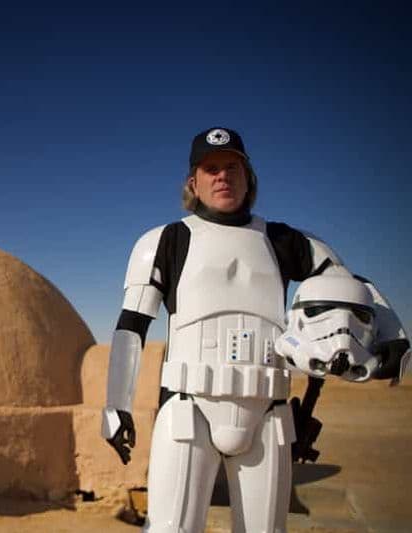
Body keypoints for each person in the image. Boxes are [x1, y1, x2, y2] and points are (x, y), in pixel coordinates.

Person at [101, 127, 410, 532]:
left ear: (249, 177)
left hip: (268, 414)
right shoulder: (163, 242)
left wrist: (393, 339)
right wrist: (115, 407)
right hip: (188, 408)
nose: (222, 176)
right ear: (193, 182)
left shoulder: (286, 241)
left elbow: (350, 285)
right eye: (211, 168)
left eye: (232, 166)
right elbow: (131, 327)